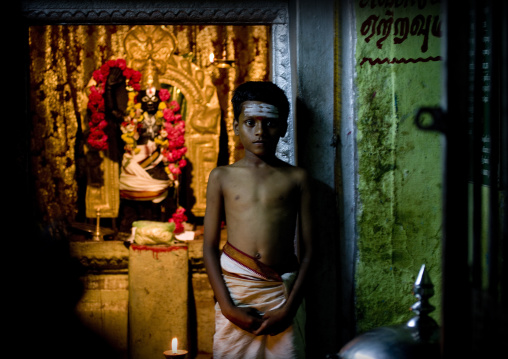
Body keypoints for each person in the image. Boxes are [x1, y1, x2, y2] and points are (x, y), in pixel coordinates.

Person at [203, 81, 313, 358]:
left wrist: (289, 310)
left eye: (270, 124)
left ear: (285, 127)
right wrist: (228, 308)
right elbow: (208, 247)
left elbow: (312, 252)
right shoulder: (221, 177)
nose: (260, 132)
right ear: (236, 126)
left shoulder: (297, 178)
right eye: (250, 122)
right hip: (236, 291)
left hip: (280, 295)